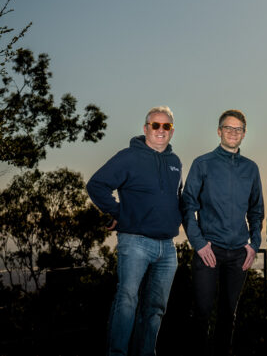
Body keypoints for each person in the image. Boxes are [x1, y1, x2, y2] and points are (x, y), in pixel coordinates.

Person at [87, 106, 182, 356]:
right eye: (155, 125)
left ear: (172, 130)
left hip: (168, 248)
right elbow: (96, 185)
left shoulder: (175, 162)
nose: (161, 130)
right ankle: (117, 353)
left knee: (156, 308)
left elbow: (175, 199)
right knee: (127, 300)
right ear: (145, 128)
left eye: (166, 126)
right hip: (135, 243)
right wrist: (119, 213)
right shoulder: (128, 156)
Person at [181, 109, 264, 356]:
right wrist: (199, 244)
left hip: (239, 253)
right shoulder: (202, 163)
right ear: (219, 131)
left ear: (244, 134)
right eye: (228, 128)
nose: (232, 133)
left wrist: (253, 244)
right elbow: (187, 206)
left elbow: (256, 211)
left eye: (238, 129)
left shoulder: (251, 168)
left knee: (229, 314)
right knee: (203, 312)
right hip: (209, 250)